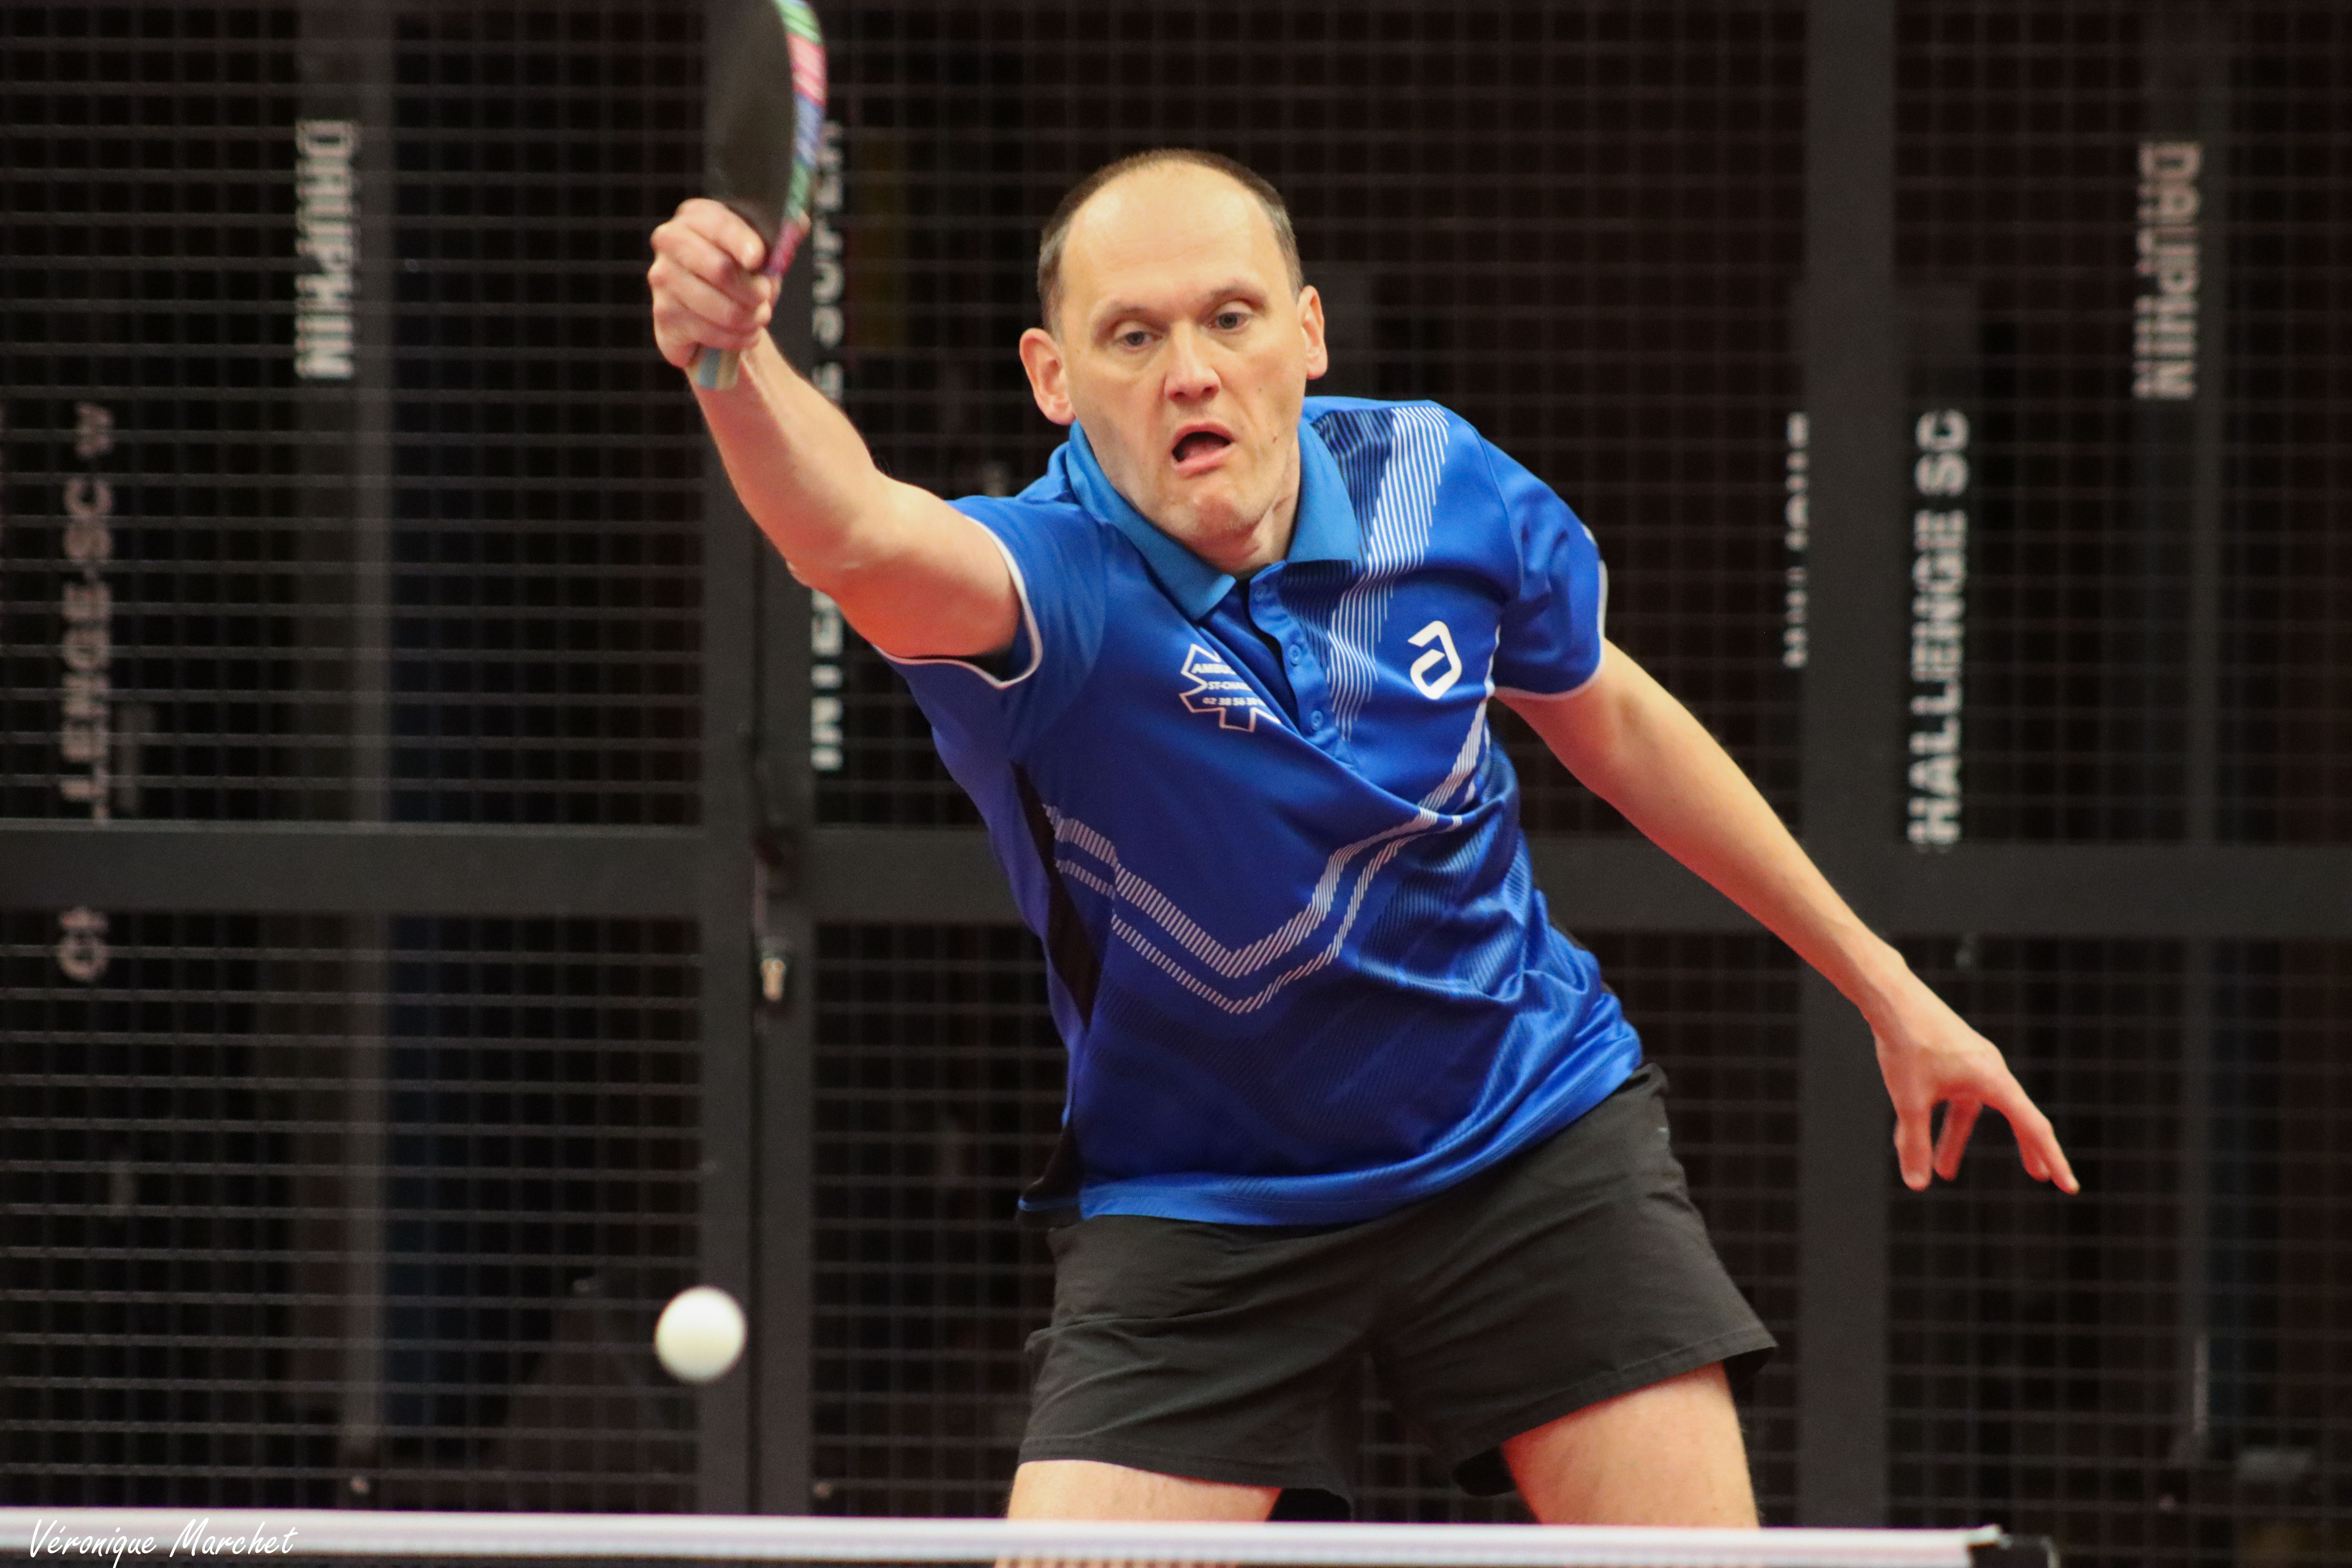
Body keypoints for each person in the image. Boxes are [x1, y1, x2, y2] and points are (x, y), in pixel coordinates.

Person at [646, 148, 2077, 1528]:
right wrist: (735, 360)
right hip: (1204, 1205)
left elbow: (1615, 717)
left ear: (1309, 334)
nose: (1190, 371)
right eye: (1132, 336)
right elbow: (852, 534)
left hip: (1525, 1135)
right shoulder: (1048, 588)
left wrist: (1888, 987)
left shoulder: (1437, 485)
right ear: (1054, 378)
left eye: (1231, 317)